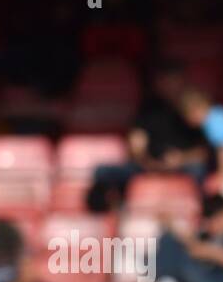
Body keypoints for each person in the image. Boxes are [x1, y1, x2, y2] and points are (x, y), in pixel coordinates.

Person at [86, 60, 211, 212]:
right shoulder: (148, 108)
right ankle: (116, 215)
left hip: (182, 166)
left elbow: (205, 151)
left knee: (198, 170)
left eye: (174, 80)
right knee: (102, 171)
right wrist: (148, 162)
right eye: (165, 80)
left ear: (182, 81)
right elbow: (136, 143)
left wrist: (180, 159)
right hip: (148, 165)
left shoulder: (192, 109)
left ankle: (202, 214)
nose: (170, 85)